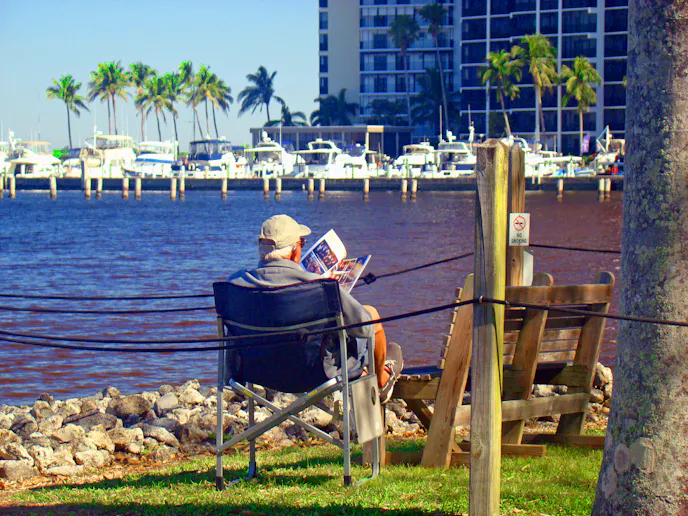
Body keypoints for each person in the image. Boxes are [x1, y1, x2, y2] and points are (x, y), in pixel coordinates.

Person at [228, 214, 403, 403]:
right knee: (372, 318)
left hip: (255, 372)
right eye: (301, 243)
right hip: (315, 374)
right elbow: (365, 328)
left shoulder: (235, 284)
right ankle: (381, 381)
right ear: (294, 251)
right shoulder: (319, 286)